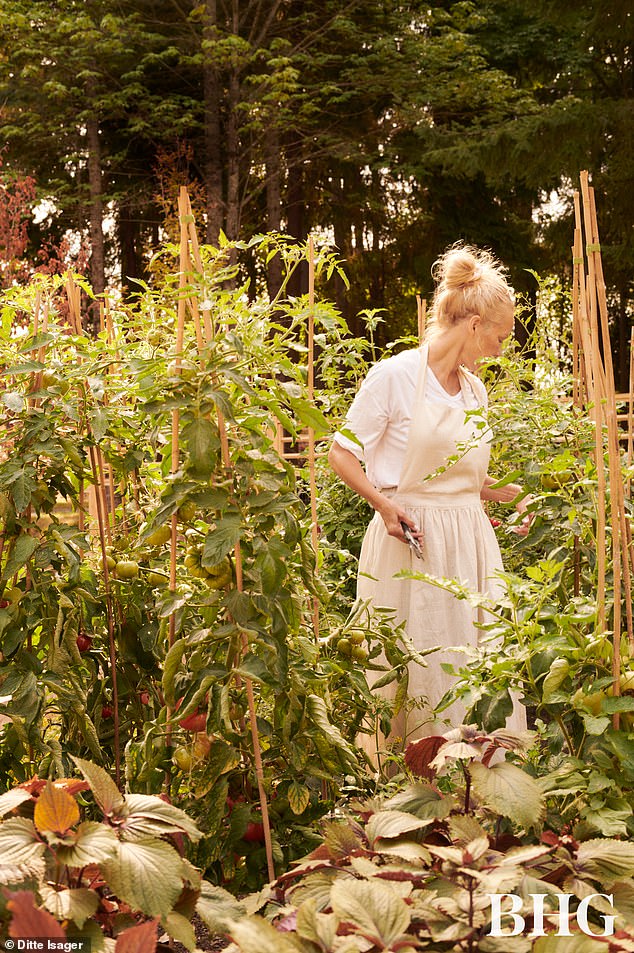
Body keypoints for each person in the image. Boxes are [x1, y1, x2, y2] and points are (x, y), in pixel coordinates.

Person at [328, 244, 529, 760]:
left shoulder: (474, 392)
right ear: (474, 324)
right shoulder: (394, 376)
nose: (501, 350)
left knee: (472, 661)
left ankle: (477, 785)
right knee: (414, 662)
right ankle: (405, 789)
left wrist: (497, 495)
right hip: (410, 538)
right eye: (500, 338)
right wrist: (383, 505)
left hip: (470, 544)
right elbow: (341, 453)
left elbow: (459, 476)